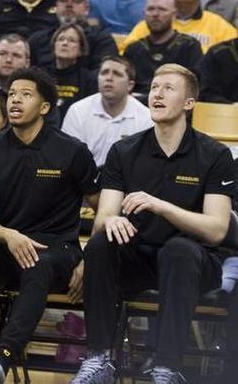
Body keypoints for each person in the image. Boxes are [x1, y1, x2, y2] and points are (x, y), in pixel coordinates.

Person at [70, 64, 234, 384]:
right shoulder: (125, 150)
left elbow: (217, 229)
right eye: (154, 87)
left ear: (189, 102)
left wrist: (161, 207)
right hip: (140, 260)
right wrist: (112, 220)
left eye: (168, 88)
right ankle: (99, 359)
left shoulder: (214, 155)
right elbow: (103, 216)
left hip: (195, 265)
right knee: (101, 243)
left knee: (179, 249)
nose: (157, 93)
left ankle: (166, 367)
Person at [0, 68, 100, 384]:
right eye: (12, 93)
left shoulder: (72, 150)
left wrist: (90, 259)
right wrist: (10, 236)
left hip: (58, 250)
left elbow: (105, 211)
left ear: (44, 107)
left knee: (38, 263)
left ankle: (1, 357)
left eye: (25, 94)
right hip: (7, 246)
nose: (15, 99)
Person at [62, 56, 152, 167]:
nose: (109, 78)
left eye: (117, 74)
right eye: (104, 73)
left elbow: (144, 164)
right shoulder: (77, 111)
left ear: (130, 85)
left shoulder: (146, 117)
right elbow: (67, 157)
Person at [122, 0, 205, 92]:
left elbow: (194, 87)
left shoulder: (189, 46)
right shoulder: (133, 49)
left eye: (162, 9)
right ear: (144, 14)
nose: (155, 14)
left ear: (174, 15)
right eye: (150, 9)